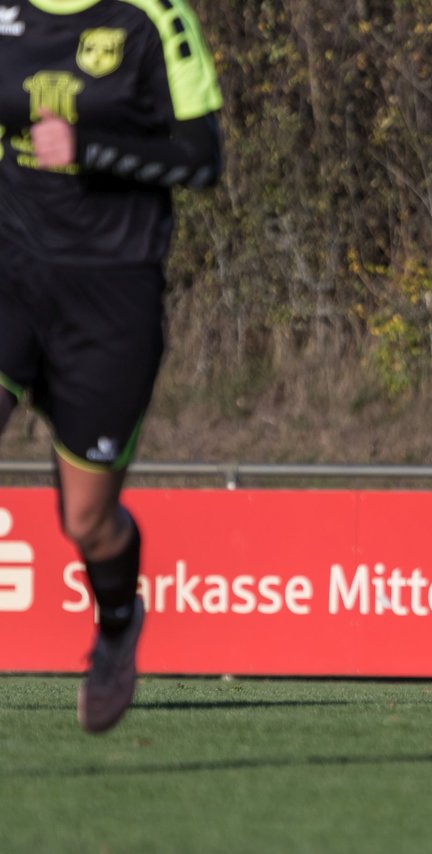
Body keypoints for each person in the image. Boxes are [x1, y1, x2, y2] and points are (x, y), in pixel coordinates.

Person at [0, 0, 223, 733]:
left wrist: (90, 149)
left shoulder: (153, 20)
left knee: (88, 521)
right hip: (11, 275)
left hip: (111, 298)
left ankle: (119, 622)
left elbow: (201, 158)